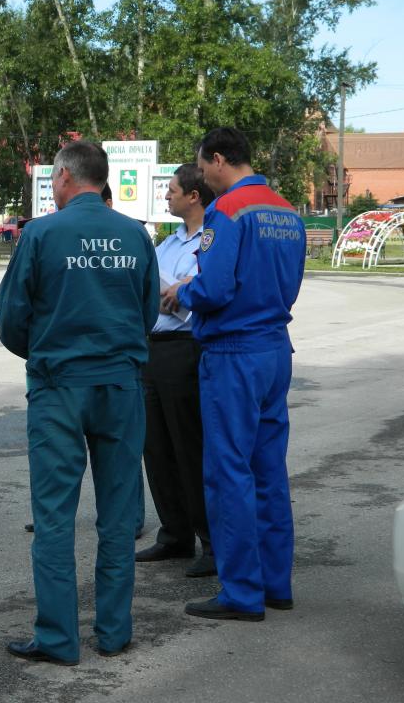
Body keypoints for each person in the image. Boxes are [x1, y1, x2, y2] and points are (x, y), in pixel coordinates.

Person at [0, 141, 158, 665]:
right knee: (117, 517)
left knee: (54, 516)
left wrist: (46, 353)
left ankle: (59, 638)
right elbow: (148, 312)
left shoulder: (42, 233)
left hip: (59, 388)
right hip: (119, 387)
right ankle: (113, 632)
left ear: (64, 178)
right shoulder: (136, 235)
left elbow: (11, 317)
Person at [162, 127, 305, 621]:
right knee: (269, 472)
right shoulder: (287, 210)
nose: (201, 176)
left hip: (233, 353)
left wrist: (184, 293)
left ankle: (241, 593)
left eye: (202, 167)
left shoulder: (227, 211)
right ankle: (274, 583)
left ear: (219, 159)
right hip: (274, 350)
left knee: (228, 472)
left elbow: (217, 286)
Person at [135, 164, 216, 578]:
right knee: (157, 448)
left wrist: (180, 291)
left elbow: (195, 292)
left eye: (171, 190)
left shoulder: (209, 240)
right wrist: (171, 290)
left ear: (193, 196)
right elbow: (156, 289)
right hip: (153, 348)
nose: (166, 197)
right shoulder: (167, 245)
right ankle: (174, 534)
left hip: (186, 349)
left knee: (189, 447)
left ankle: (209, 540)